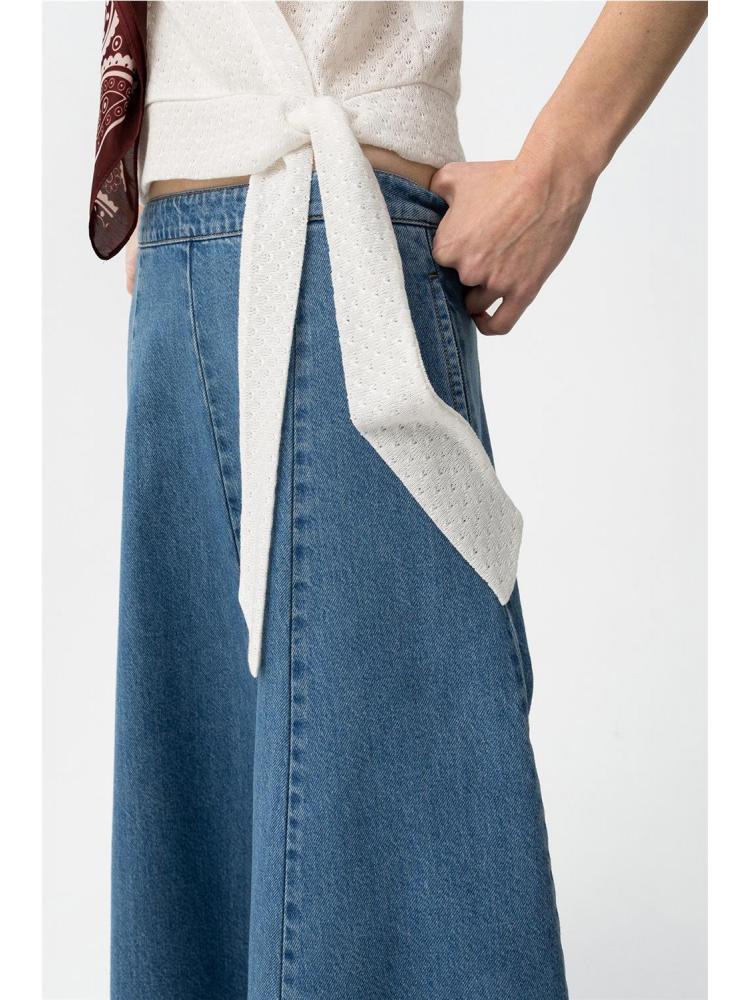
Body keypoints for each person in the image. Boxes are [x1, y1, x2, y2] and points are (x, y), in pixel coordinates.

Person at [91, 3, 706, 999]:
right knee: (196, 904)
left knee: (404, 919)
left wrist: (558, 171)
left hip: (341, 252)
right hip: (178, 273)